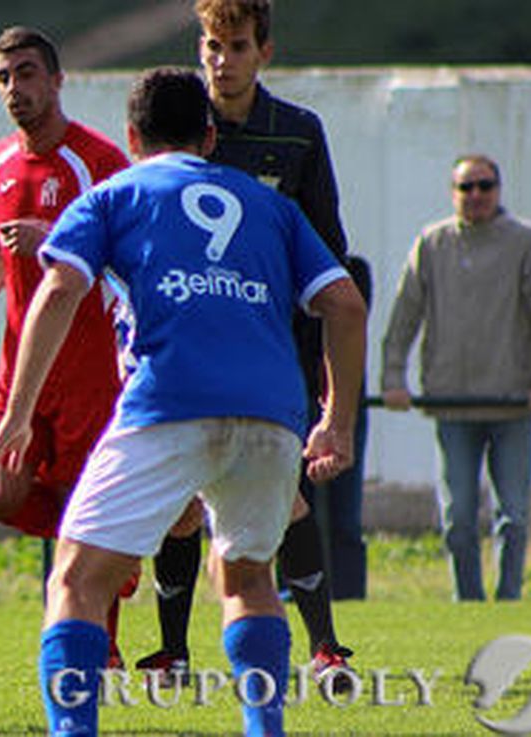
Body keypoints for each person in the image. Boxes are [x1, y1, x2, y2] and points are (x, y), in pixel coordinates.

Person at [0, 67, 366, 736]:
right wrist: (336, 420)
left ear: (132, 137)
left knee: (74, 581)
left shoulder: (111, 196)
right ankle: (264, 728)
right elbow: (345, 302)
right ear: (210, 137)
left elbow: (60, 290)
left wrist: (16, 414)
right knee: (247, 578)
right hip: (272, 413)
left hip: (170, 401)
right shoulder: (272, 206)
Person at [136, 0, 361, 687]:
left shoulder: (296, 134)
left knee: (285, 498)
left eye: (235, 45)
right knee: (178, 505)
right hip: (188, 348)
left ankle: (325, 645)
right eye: (211, 44)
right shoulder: (181, 126)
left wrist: (328, 389)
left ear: (263, 49)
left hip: (271, 350)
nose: (221, 60)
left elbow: (330, 259)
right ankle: (173, 650)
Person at [0, 25, 134, 667]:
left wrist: (54, 234)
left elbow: (126, 253)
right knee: (1, 493)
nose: (14, 89)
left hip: (86, 372)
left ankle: (103, 647)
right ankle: (114, 559)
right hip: (18, 368)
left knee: (86, 509)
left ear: (57, 80)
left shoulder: (100, 159)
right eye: (3, 77)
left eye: (26, 74)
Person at [380, 154, 531, 601]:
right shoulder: (433, 243)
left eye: (485, 186)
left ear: (499, 190)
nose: (477, 196)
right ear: (453, 193)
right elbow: (405, 315)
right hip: (452, 401)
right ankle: (467, 601)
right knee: (458, 517)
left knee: (514, 516)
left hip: (513, 400)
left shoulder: (525, 240)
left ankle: (507, 600)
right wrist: (393, 377)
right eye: (467, 188)